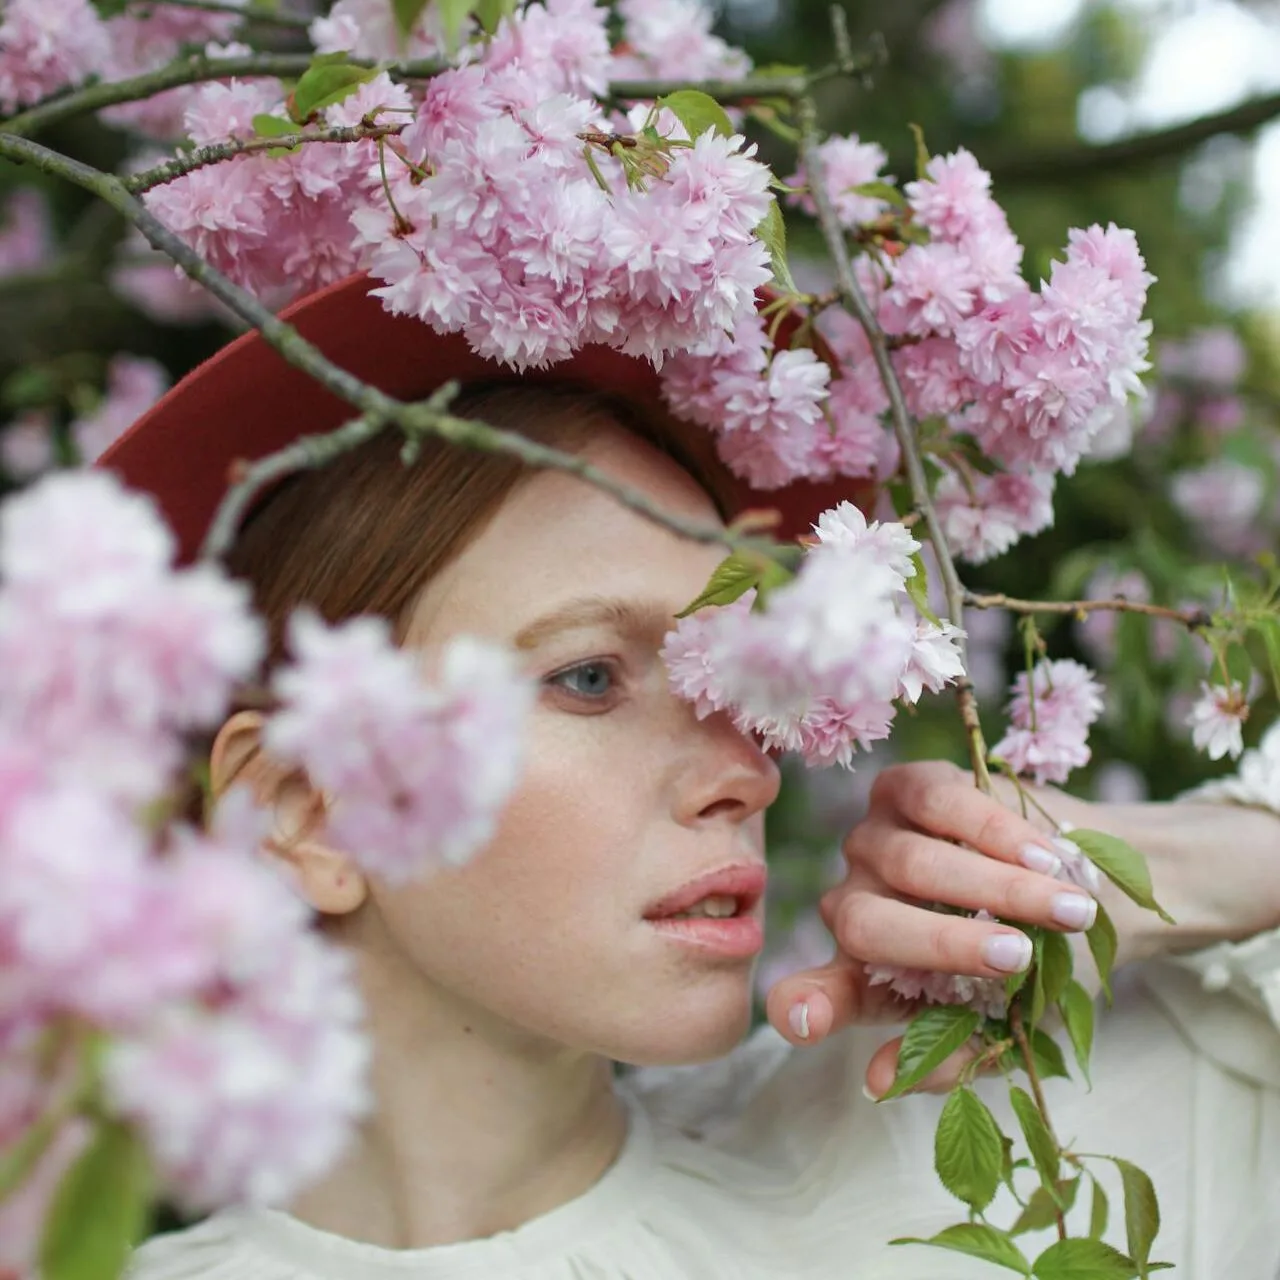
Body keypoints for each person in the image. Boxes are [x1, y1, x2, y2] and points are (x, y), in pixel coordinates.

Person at [109, 275, 1280, 1279]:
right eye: (586, 678)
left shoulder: (968, 1137)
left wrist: (1206, 859)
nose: (746, 772)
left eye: (731, 685)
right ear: (305, 807)